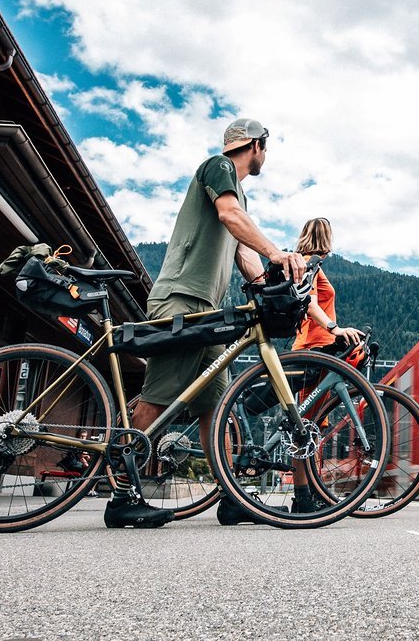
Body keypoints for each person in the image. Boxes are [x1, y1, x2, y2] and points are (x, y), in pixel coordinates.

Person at [105, 117, 306, 529]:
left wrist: (269, 279)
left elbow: (242, 255)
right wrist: (277, 252)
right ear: (255, 145)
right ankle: (122, 494)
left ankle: (232, 498)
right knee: (158, 398)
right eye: (265, 148)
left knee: (216, 408)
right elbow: (229, 214)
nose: (266, 156)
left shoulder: (239, 200)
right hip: (181, 300)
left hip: (207, 312)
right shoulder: (219, 166)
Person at [287, 217, 364, 513]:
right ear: (326, 237)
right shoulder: (310, 263)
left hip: (316, 348)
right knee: (304, 426)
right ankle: (303, 496)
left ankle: (310, 493)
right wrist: (335, 328)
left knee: (311, 424)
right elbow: (309, 303)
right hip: (313, 348)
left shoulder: (309, 263)